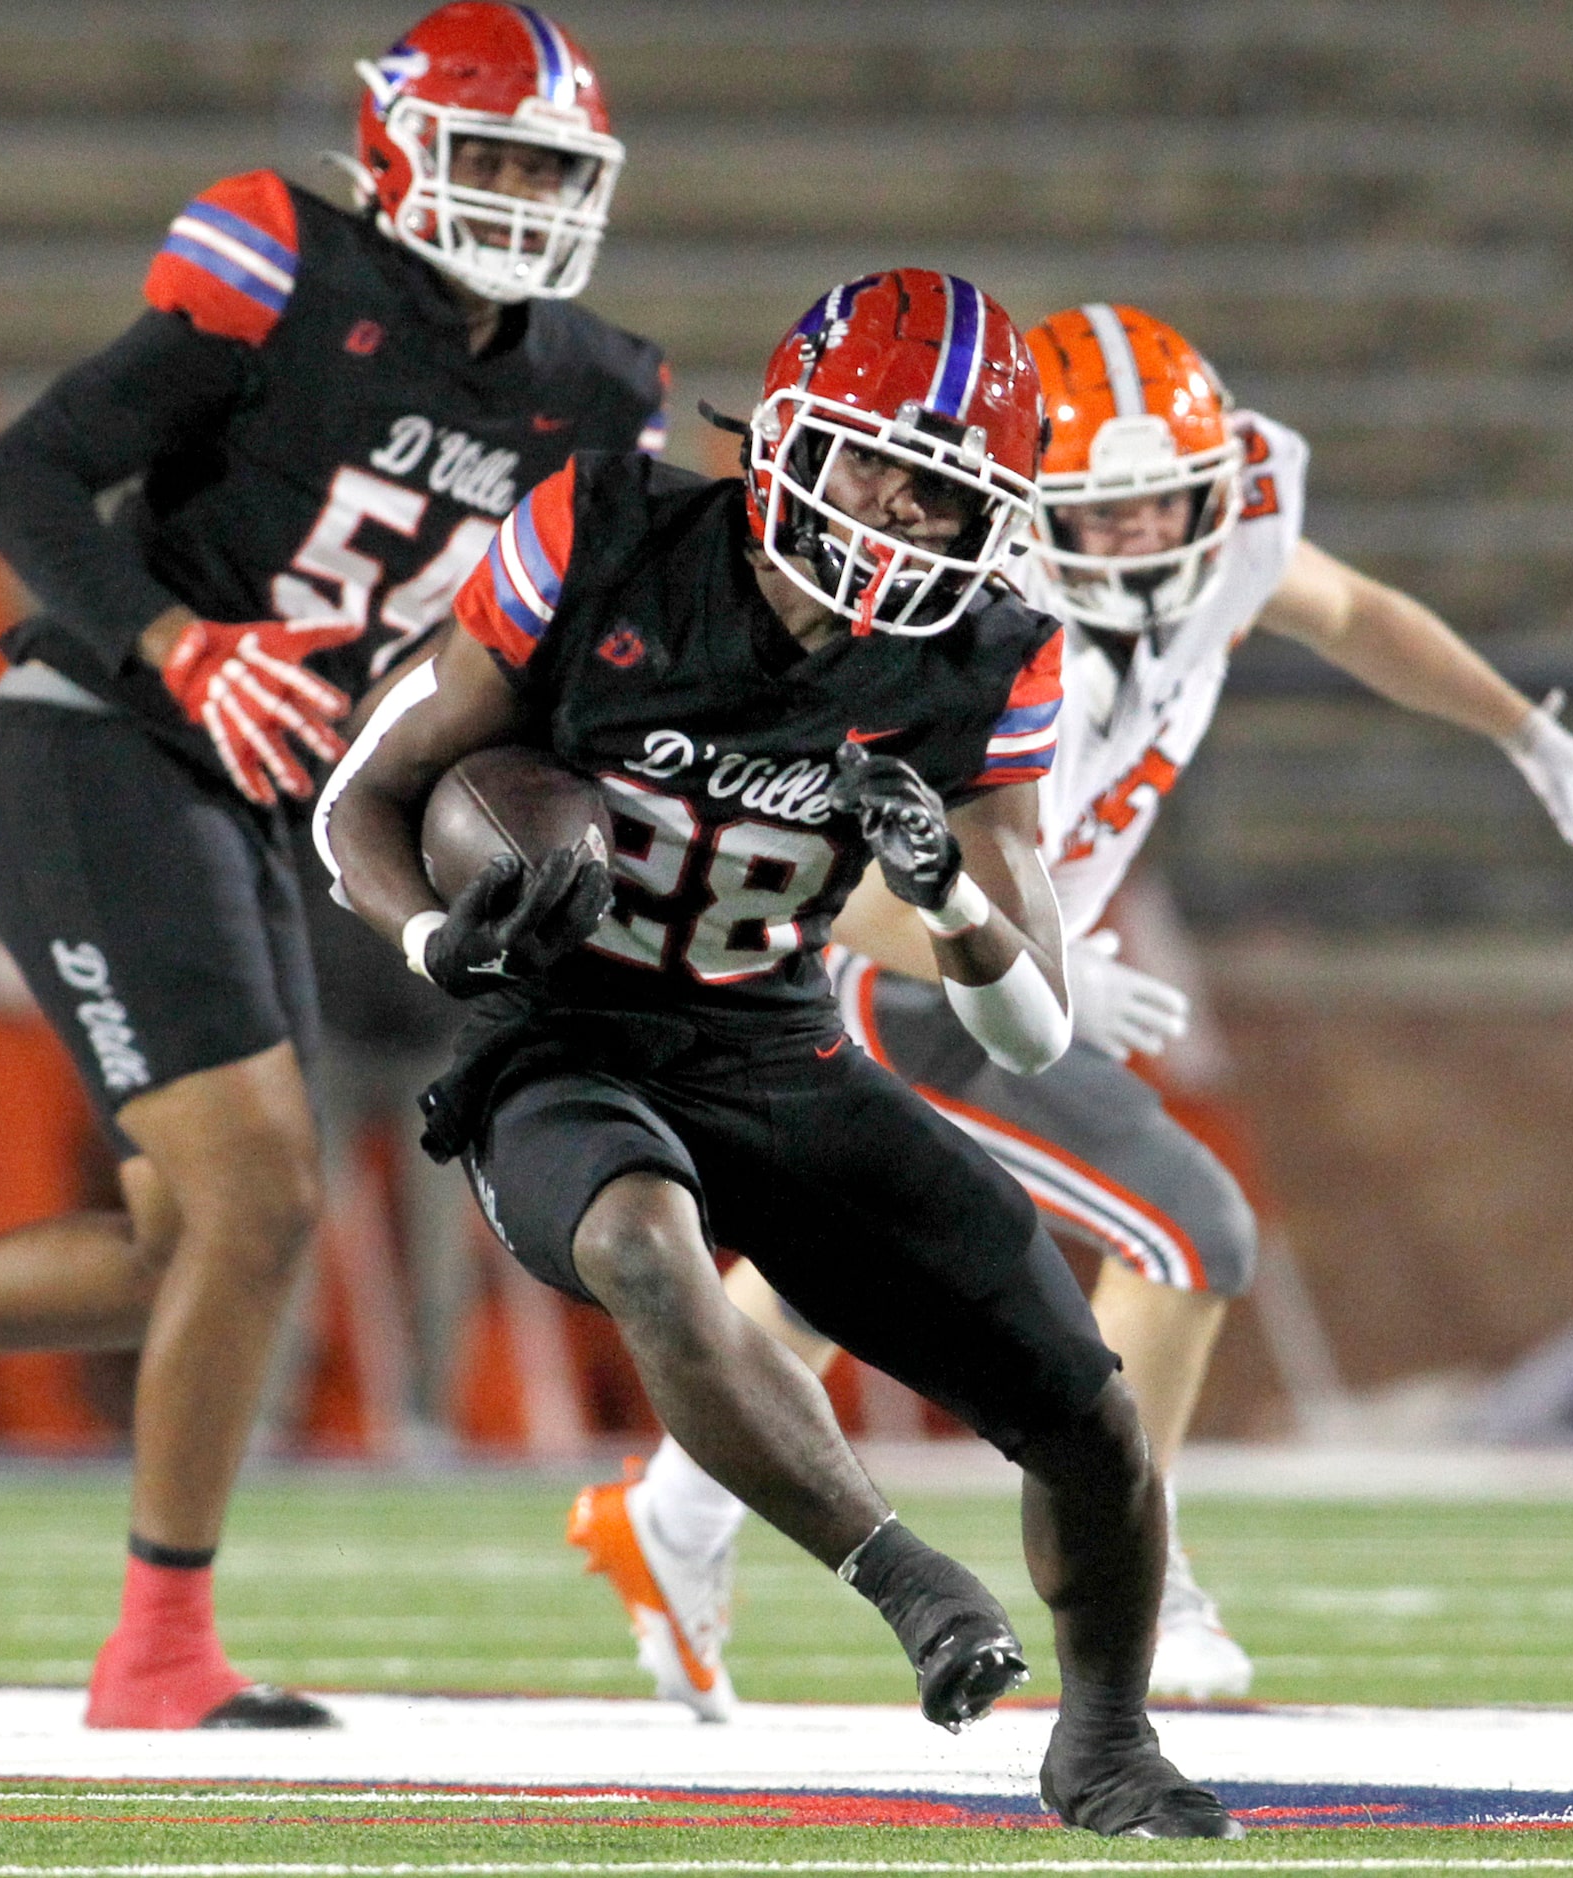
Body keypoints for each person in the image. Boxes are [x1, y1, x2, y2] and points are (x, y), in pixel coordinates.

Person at [0, 1, 664, 1732]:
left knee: (194, 1244)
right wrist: (176, 640)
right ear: (398, 146)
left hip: (252, 798)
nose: (530, 196)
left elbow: (598, 619)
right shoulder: (292, 274)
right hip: (92, 745)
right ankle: (158, 1649)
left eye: (557, 166)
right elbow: (21, 480)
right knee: (260, 1202)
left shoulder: (591, 389)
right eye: (500, 157)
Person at [570, 300, 1573, 1714]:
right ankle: (1150, 1567)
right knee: (1189, 1222)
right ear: (1022, 510)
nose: (1143, 540)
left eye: (1168, 506)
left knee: (854, 1260)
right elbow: (807, 873)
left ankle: (677, 1512)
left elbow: (1349, 609)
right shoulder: (963, 624)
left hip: (1001, 961)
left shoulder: (1230, 542)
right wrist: (1010, 946)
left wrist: (1524, 725)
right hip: (913, 977)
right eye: (1107, 511)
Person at [319, 269, 1240, 1838]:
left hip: (773, 1037)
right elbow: (363, 797)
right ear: (785, 434)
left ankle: (1107, 1740)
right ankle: (904, 1578)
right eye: (875, 461)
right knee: (638, 1238)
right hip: (566, 1035)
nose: (897, 514)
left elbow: (1034, 1022)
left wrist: (945, 887)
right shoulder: (603, 532)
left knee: (1083, 1404)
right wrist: (429, 937)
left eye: (942, 492)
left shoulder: (985, 652)